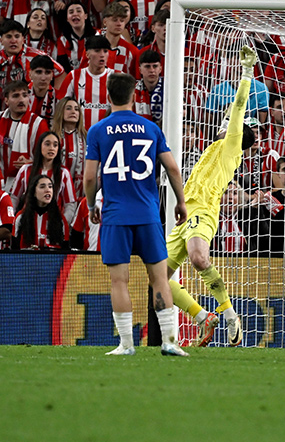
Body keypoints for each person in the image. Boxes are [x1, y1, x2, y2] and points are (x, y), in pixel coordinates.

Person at [84, 71, 189, 356]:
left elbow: (91, 177)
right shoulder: (151, 128)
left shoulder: (98, 130)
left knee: (119, 280)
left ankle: (126, 345)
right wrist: (181, 202)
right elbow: (173, 169)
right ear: (134, 96)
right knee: (159, 278)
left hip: (116, 215)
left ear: (108, 96)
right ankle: (169, 341)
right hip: (148, 214)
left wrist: (92, 202)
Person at [163, 45, 257, 347]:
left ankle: (229, 315)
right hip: (185, 215)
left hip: (203, 210)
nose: (226, 119)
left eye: (231, 121)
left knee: (199, 258)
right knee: (158, 277)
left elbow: (239, 106)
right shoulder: (212, 148)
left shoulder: (231, 146)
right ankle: (204, 317)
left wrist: (245, 74)